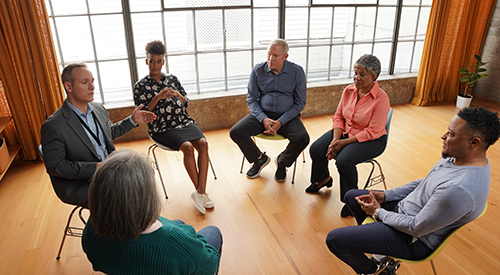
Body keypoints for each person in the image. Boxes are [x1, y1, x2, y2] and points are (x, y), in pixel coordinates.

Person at [325, 107, 500, 275]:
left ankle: (373, 269)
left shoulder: (458, 189)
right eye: (447, 131)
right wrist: (387, 195)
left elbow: (415, 227)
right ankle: (378, 245)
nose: (443, 136)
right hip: (406, 211)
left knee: (335, 240)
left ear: (474, 143)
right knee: (352, 196)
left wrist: (378, 212)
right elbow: (425, 182)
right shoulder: (461, 157)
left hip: (413, 239)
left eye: (451, 134)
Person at [82, 149, 222, 275]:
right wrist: (191, 236)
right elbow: (209, 265)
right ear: (147, 197)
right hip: (176, 247)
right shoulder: (174, 241)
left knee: (179, 223)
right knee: (212, 232)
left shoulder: (91, 229)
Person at [41, 63, 156, 207]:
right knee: (129, 194)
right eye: (85, 82)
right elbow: (55, 166)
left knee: (146, 172)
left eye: (92, 81)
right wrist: (95, 167)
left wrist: (132, 120)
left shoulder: (98, 108)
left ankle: (142, 225)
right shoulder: (53, 126)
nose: (92, 87)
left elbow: (109, 134)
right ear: (68, 87)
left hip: (110, 169)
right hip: (84, 182)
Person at [133, 40, 213, 215]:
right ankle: (200, 193)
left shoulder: (173, 79)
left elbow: (185, 103)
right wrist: (158, 97)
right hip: (162, 128)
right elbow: (144, 113)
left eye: (159, 61)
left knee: (203, 144)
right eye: (152, 61)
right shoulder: (140, 86)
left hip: (183, 121)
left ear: (163, 61)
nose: (155, 65)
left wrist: (177, 94)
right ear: (146, 61)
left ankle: (200, 192)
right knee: (188, 148)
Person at [306, 54, 390, 218]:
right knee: (316, 149)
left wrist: (342, 144)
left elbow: (373, 131)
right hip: (345, 131)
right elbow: (339, 116)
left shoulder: (382, 99)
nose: (356, 78)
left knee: (344, 161)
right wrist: (336, 140)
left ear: (374, 76)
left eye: (362, 74)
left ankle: (351, 200)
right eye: (355, 73)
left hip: (371, 139)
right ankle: (323, 179)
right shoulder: (349, 90)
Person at [230, 38, 309, 182]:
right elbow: (251, 99)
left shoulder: (297, 72)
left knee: (303, 138)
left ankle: (282, 161)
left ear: (285, 57)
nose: (270, 59)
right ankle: (259, 159)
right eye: (268, 54)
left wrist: (281, 121)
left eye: (275, 56)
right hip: (262, 114)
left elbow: (300, 103)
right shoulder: (258, 70)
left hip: (288, 116)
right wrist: (263, 118)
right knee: (236, 132)